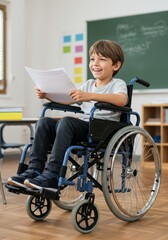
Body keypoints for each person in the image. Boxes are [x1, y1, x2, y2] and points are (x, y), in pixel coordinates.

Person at [7, 39, 128, 191]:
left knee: (67, 121)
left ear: (116, 65)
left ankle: (52, 174)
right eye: (92, 59)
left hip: (101, 130)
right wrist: (47, 95)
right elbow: (68, 100)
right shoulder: (89, 84)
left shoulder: (117, 83)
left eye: (102, 59)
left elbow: (122, 100)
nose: (95, 63)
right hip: (84, 127)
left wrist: (89, 96)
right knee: (44, 122)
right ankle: (34, 170)